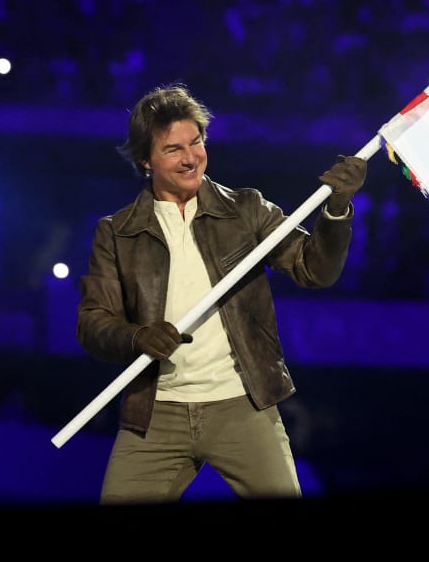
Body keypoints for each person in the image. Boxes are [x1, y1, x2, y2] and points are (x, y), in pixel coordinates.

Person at [76, 82, 366, 503]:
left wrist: (337, 210)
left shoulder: (246, 210)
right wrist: (137, 338)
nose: (191, 157)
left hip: (242, 404)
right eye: (174, 149)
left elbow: (314, 269)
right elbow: (93, 323)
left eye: (196, 142)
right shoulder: (117, 231)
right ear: (145, 160)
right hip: (156, 412)